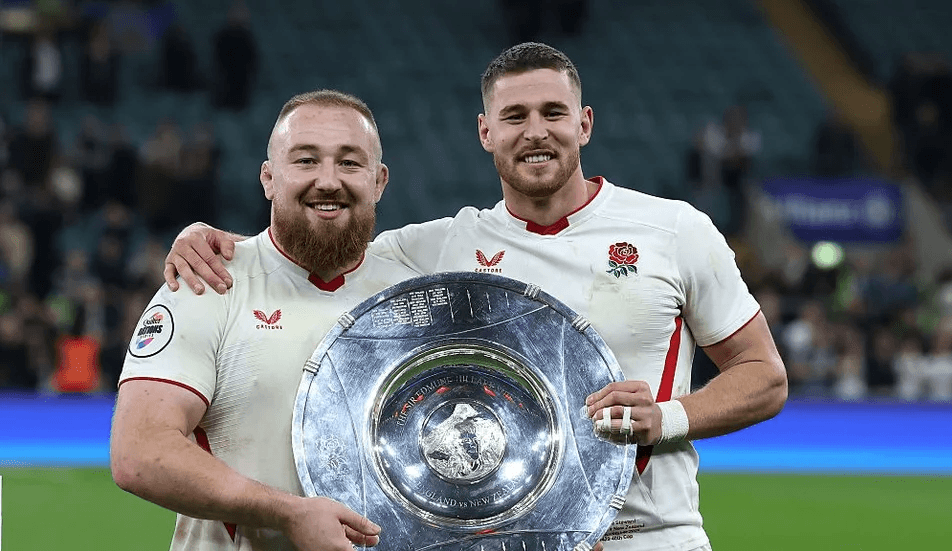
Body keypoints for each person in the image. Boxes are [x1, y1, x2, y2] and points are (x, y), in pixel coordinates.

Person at [167, 43, 787, 551]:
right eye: (515, 117)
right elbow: (311, 241)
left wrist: (667, 417)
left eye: (553, 112)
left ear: (585, 123)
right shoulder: (440, 248)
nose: (536, 132)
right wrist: (212, 241)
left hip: (650, 535)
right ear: (486, 133)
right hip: (508, 540)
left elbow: (764, 375)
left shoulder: (673, 230)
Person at [111, 89, 423, 551]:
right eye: (305, 160)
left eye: (350, 163)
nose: (328, 180)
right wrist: (288, 513)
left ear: (378, 181)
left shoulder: (416, 298)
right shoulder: (208, 282)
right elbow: (139, 452)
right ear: (268, 178)